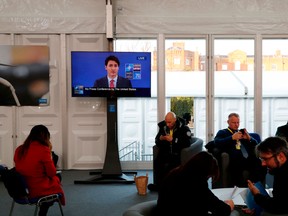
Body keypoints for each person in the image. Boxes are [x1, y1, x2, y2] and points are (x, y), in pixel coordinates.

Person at [156, 151, 236, 216]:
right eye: (209, 176)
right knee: (234, 213)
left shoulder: (175, 173)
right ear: (205, 172)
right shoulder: (197, 183)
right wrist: (229, 206)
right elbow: (220, 209)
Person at [13, 125, 65, 216]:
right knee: (58, 177)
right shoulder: (43, 149)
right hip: (35, 189)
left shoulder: (19, 149)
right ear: (45, 136)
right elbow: (52, 172)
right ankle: (45, 205)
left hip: (20, 188)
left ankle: (46, 203)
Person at [214, 113, 266, 187]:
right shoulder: (223, 132)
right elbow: (217, 142)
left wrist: (249, 138)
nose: (236, 125)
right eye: (234, 122)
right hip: (235, 159)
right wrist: (232, 138)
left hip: (248, 158)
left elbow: (257, 145)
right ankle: (241, 188)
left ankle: (255, 185)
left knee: (260, 163)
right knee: (236, 166)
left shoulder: (241, 133)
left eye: (238, 122)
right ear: (228, 122)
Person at [147, 111, 192, 191]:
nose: (167, 124)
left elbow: (187, 143)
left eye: (169, 122)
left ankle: (168, 187)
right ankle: (159, 185)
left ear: (175, 120)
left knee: (170, 166)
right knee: (158, 162)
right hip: (165, 152)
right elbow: (156, 140)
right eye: (166, 122)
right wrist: (162, 139)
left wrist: (173, 140)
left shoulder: (184, 128)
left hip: (177, 153)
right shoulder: (163, 127)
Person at [247, 136, 288, 215]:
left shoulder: (284, 175)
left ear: (281, 157)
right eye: (261, 159)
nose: (263, 163)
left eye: (265, 159)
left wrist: (257, 195)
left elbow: (278, 207)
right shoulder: (280, 169)